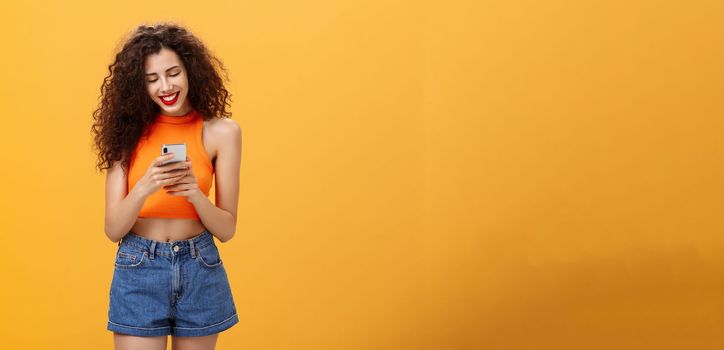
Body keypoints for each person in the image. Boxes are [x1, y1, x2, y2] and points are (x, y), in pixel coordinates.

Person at [91, 22, 242, 350]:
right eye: (152, 79)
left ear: (190, 71)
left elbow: (227, 228)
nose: (165, 86)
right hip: (138, 266)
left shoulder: (222, 133)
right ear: (138, 85)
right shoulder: (126, 135)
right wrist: (145, 186)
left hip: (199, 265)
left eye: (173, 73)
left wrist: (195, 195)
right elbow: (113, 229)